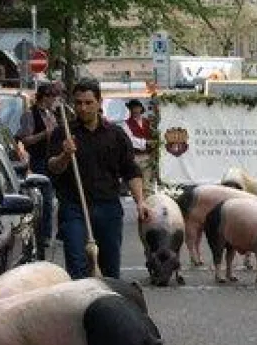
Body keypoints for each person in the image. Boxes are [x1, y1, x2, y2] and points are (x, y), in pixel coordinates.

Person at [47, 79, 150, 279]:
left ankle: (107, 305)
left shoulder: (116, 135)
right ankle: (80, 306)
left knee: (110, 267)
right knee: (77, 264)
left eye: (88, 102)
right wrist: (65, 155)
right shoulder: (64, 133)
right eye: (78, 103)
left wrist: (140, 201)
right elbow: (53, 168)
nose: (83, 108)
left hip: (108, 207)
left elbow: (131, 170)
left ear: (99, 102)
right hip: (74, 207)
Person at [18, 82, 60, 258]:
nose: (54, 101)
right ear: (45, 97)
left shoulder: (52, 114)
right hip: (38, 159)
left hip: (52, 157)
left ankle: (48, 233)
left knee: (51, 197)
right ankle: (43, 234)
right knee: (44, 198)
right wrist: (45, 134)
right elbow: (26, 140)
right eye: (52, 97)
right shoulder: (30, 115)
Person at [121, 99, 158, 194]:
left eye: (137, 107)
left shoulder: (148, 122)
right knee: (136, 186)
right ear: (130, 109)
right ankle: (140, 203)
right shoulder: (125, 124)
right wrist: (146, 142)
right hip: (135, 157)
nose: (135, 110)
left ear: (141, 109)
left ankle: (148, 204)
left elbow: (154, 135)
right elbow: (130, 140)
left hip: (148, 157)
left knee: (147, 186)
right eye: (133, 108)